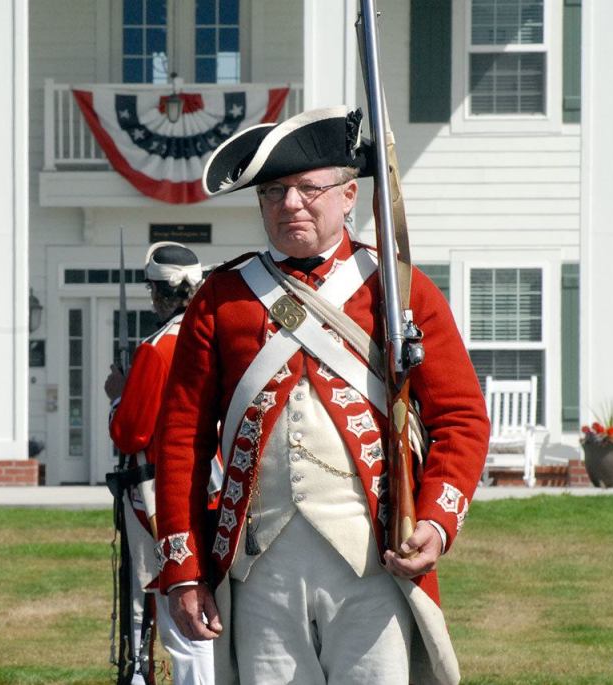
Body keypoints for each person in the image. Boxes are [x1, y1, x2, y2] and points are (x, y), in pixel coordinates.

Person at [152, 107, 490, 684]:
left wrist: (433, 523)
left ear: (348, 194)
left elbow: (461, 419)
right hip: (259, 568)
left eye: (308, 189)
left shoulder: (398, 288)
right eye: (274, 192)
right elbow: (181, 439)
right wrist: (185, 569)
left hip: (373, 561)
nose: (289, 205)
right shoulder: (223, 296)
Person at [104, 242, 216, 684]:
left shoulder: (157, 348)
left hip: (160, 496)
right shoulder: (218, 335)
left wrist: (118, 394)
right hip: (219, 489)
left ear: (159, 292)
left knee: (177, 616)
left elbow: (130, 431)